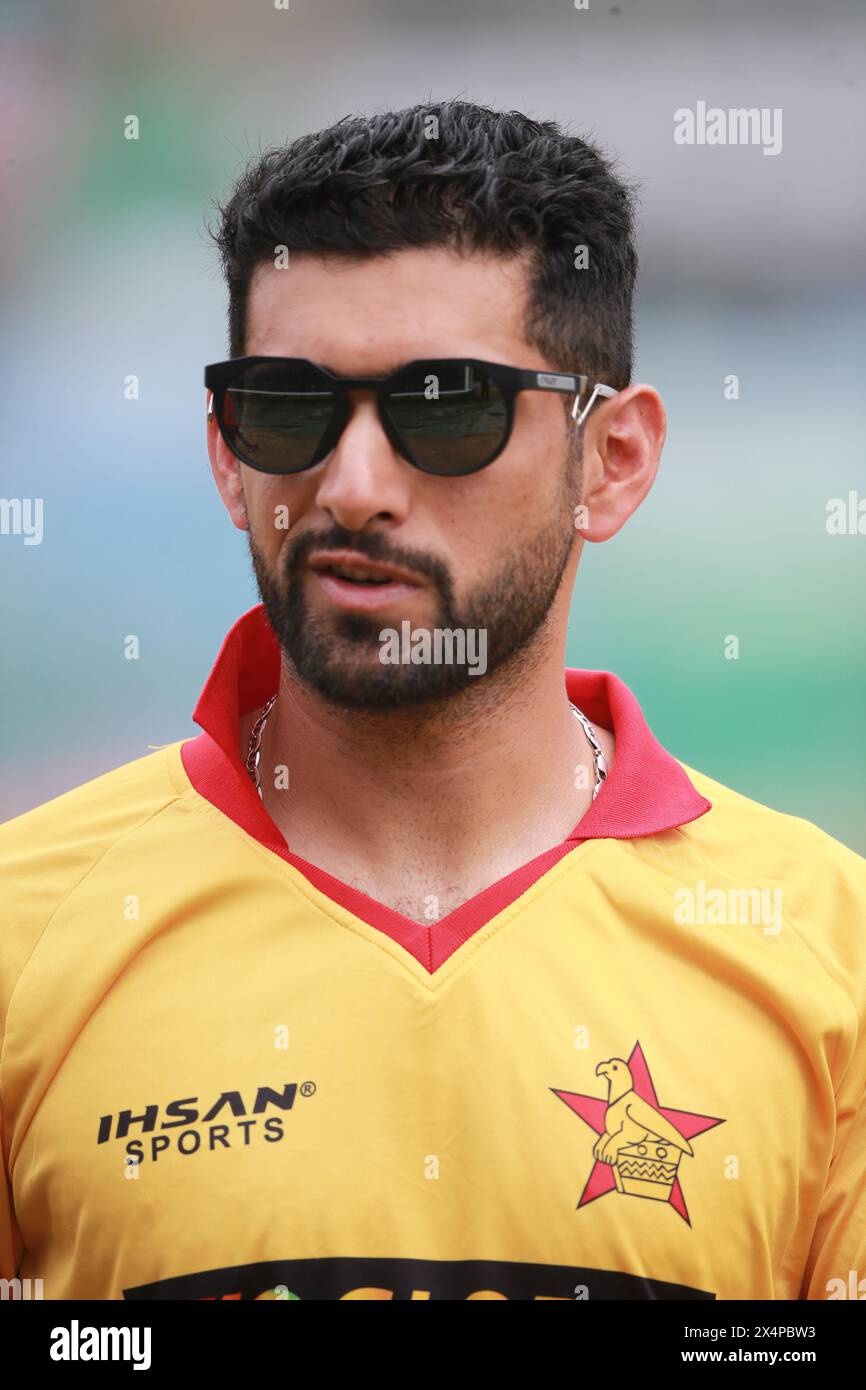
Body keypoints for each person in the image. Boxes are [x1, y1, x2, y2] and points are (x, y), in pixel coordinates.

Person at [1, 99, 863, 1302]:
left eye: (445, 406)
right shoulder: (23, 934)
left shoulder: (830, 954)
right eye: (290, 406)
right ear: (225, 456)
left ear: (608, 463)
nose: (351, 487)